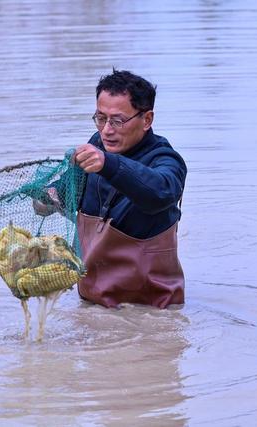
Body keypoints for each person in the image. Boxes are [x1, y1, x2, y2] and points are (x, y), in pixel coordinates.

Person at [71, 69, 187, 308]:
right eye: (100, 118)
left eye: (117, 121)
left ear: (147, 120)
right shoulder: (96, 146)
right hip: (91, 303)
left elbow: (161, 192)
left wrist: (108, 164)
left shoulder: (166, 160)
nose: (106, 130)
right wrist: (49, 197)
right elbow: (68, 193)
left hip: (153, 313)